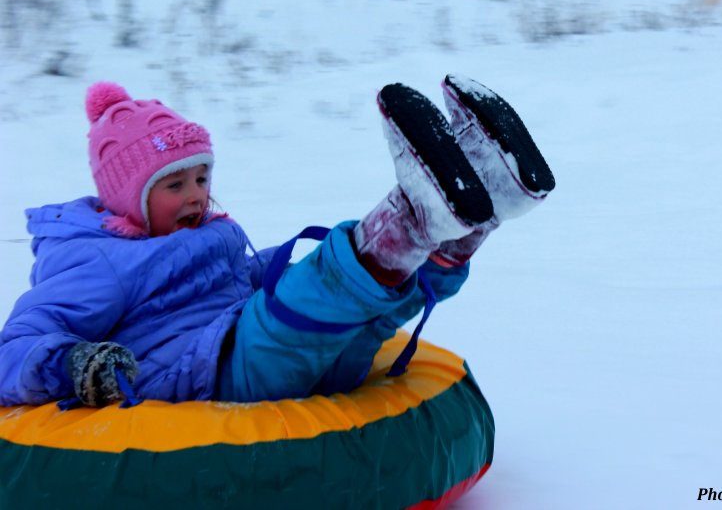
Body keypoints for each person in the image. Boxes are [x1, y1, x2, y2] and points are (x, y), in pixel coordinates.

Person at [0, 75, 555, 407]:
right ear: (126, 197)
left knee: (368, 315)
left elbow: (238, 280)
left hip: (246, 348)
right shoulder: (97, 259)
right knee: (296, 312)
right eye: (173, 184)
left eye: (201, 177)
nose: (196, 195)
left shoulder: (204, 235)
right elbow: (16, 345)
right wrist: (74, 362)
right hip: (204, 375)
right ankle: (411, 216)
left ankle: (475, 215)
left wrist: (280, 270)